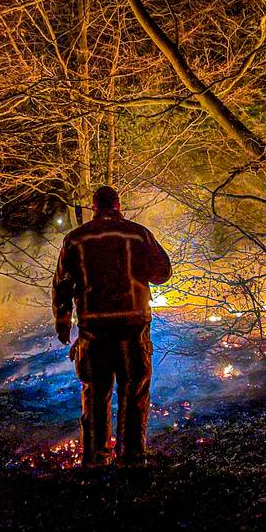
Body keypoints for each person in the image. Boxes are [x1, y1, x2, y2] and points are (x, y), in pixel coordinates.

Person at [52, 185, 172, 468]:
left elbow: (62, 284)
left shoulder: (75, 240)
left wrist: (63, 323)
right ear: (118, 206)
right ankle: (132, 458)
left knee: (94, 393)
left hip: (94, 332)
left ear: (94, 208)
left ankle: (95, 459)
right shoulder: (138, 234)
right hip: (133, 328)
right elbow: (163, 273)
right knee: (134, 392)